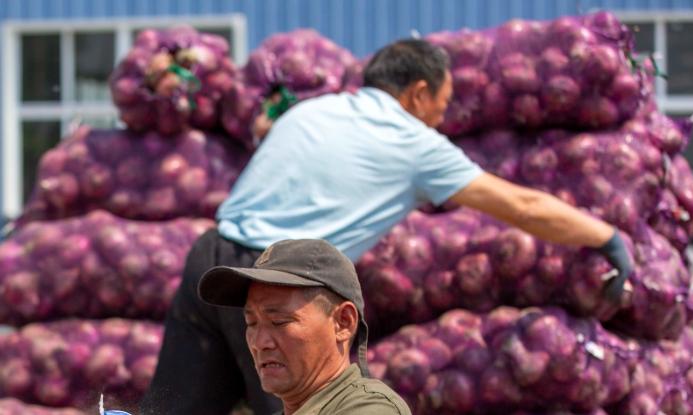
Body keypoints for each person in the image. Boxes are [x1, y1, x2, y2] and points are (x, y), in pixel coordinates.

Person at [139, 38, 632, 414]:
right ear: (418, 94)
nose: (439, 123)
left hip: (211, 262)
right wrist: (604, 236)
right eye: (439, 110)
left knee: (175, 408)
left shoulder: (314, 110)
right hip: (281, 283)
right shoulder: (415, 142)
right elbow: (522, 207)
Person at [197, 238, 412, 415]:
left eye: (279, 322)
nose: (260, 343)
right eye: (251, 323)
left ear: (343, 322)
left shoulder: (373, 409)